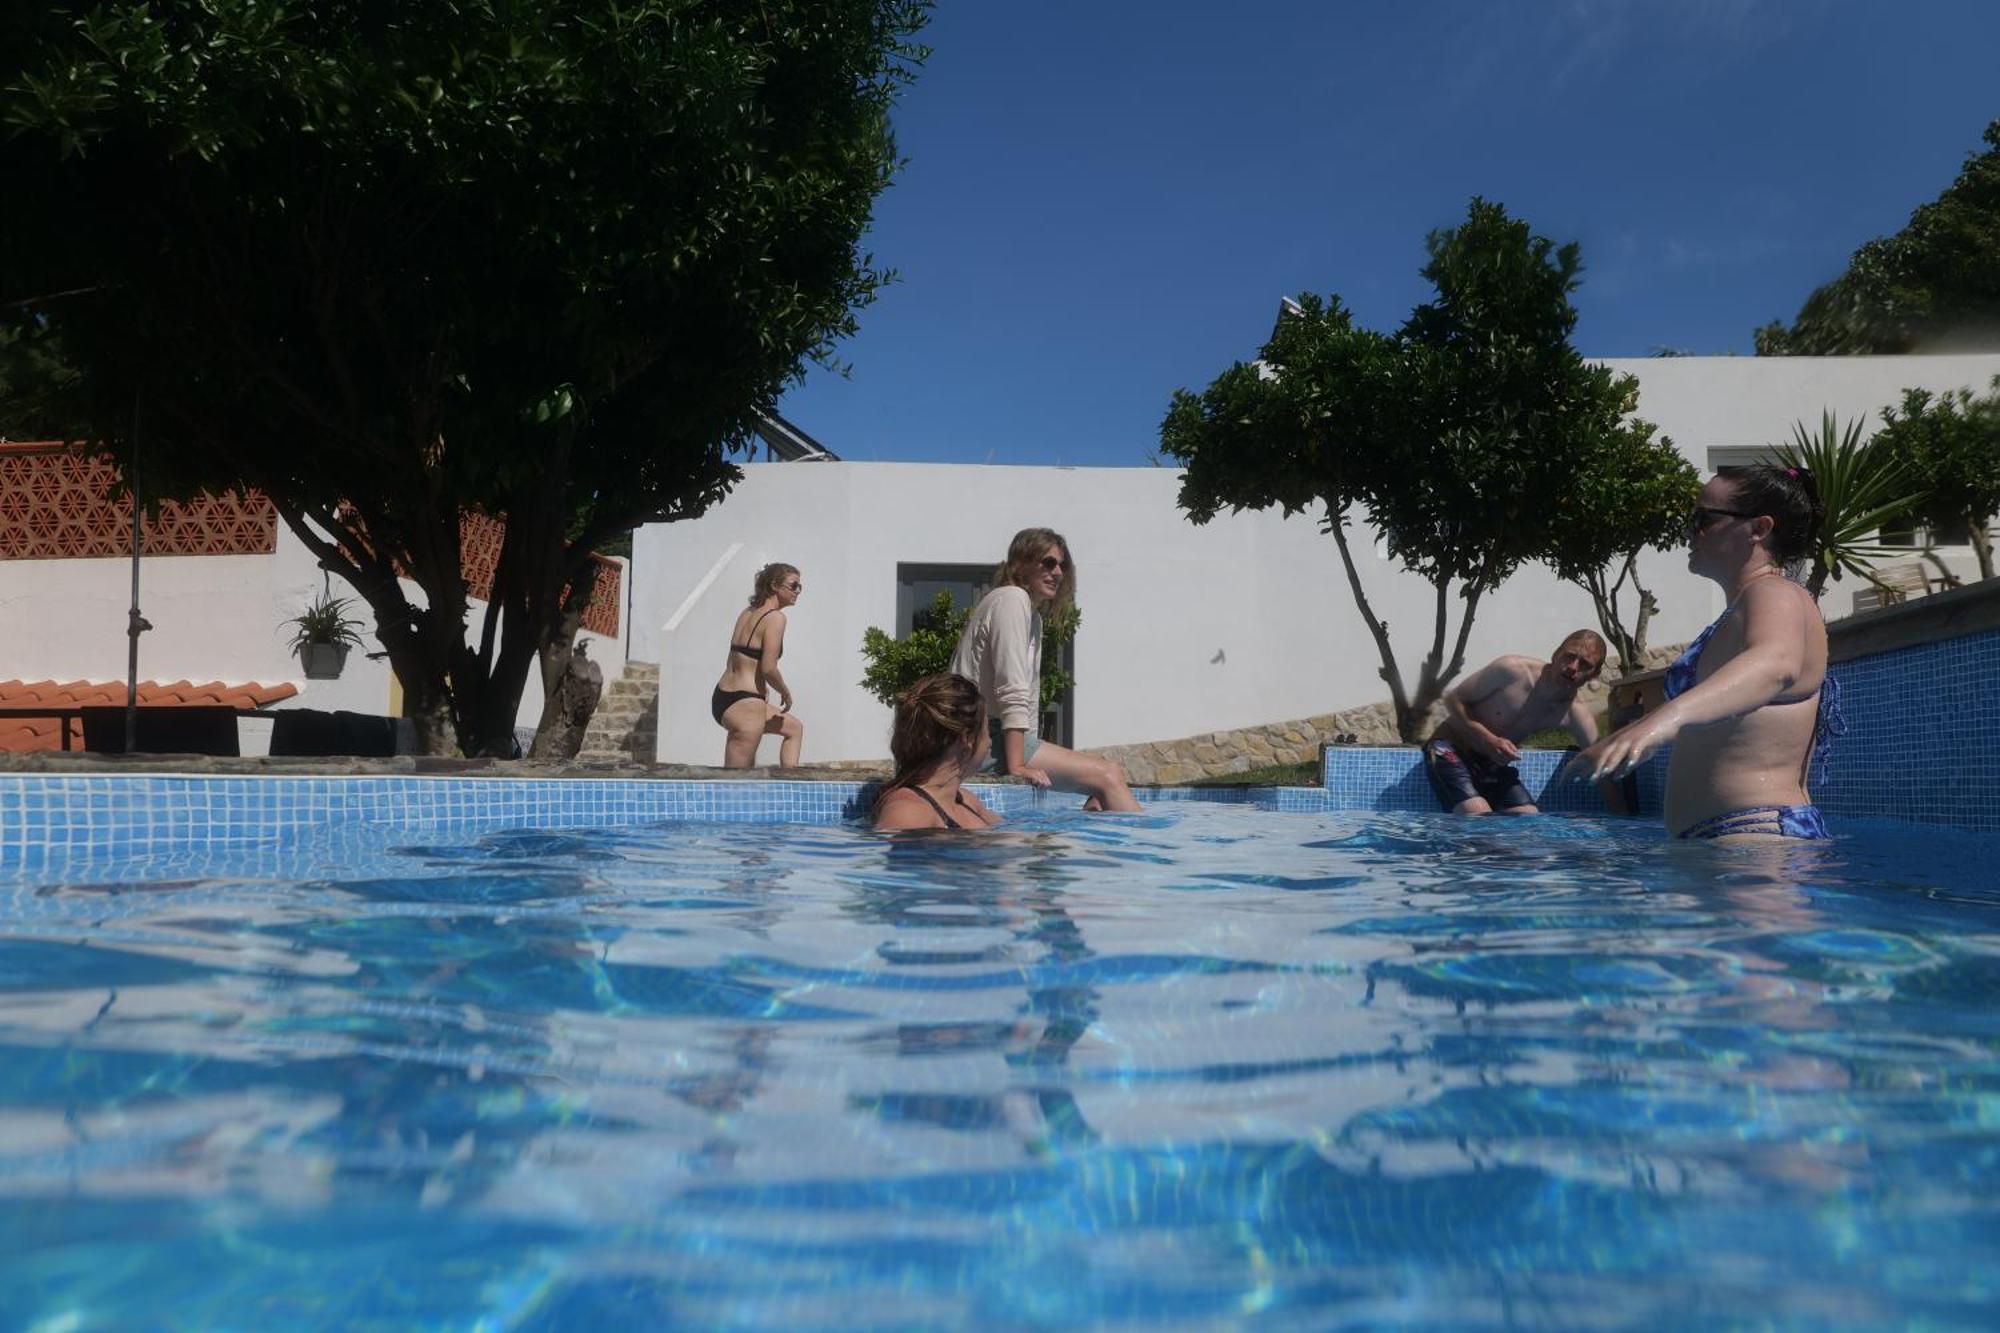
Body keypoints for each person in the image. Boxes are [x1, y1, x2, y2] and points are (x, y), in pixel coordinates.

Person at [1563, 464, 1837, 842]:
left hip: (1756, 834)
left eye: (1703, 518)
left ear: (1758, 529)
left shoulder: (1777, 593)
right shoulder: (1741, 610)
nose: (1689, 531)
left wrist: (1659, 723)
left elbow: (1776, 664)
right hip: (1729, 837)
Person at [949, 528, 1140, 813]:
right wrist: (1018, 765)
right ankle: (1137, 851)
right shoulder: (1012, 599)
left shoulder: (1030, 615)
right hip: (975, 735)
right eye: (1048, 562)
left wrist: (1029, 748)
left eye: (1062, 565)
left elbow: (1026, 698)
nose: (1058, 572)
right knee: (1108, 775)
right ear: (1020, 565)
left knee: (1104, 781)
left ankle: (1097, 834)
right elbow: (1010, 686)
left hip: (995, 735)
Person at [1423, 630, 1608, 815]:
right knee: (1478, 817)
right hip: (1449, 747)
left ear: (1594, 674)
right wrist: (1488, 739)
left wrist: (1620, 824)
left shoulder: (1575, 713)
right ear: (1556, 654)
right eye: (1569, 656)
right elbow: (1453, 700)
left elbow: (1601, 765)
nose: (1573, 667)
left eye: (1584, 664)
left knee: (1529, 819)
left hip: (1491, 765)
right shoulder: (1511, 670)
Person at [872, 674, 1003, 831]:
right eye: (987, 730)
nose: (989, 741)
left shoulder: (966, 800)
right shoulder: (909, 813)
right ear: (966, 739)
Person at [711, 562, 805, 768]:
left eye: (800, 587)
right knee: (735, 785)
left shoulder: (748, 612)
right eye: (794, 585)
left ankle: (791, 788)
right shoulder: (775, 618)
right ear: (774, 585)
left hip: (724, 696)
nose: (798, 591)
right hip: (746, 705)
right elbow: (768, 668)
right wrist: (785, 692)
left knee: (794, 729)